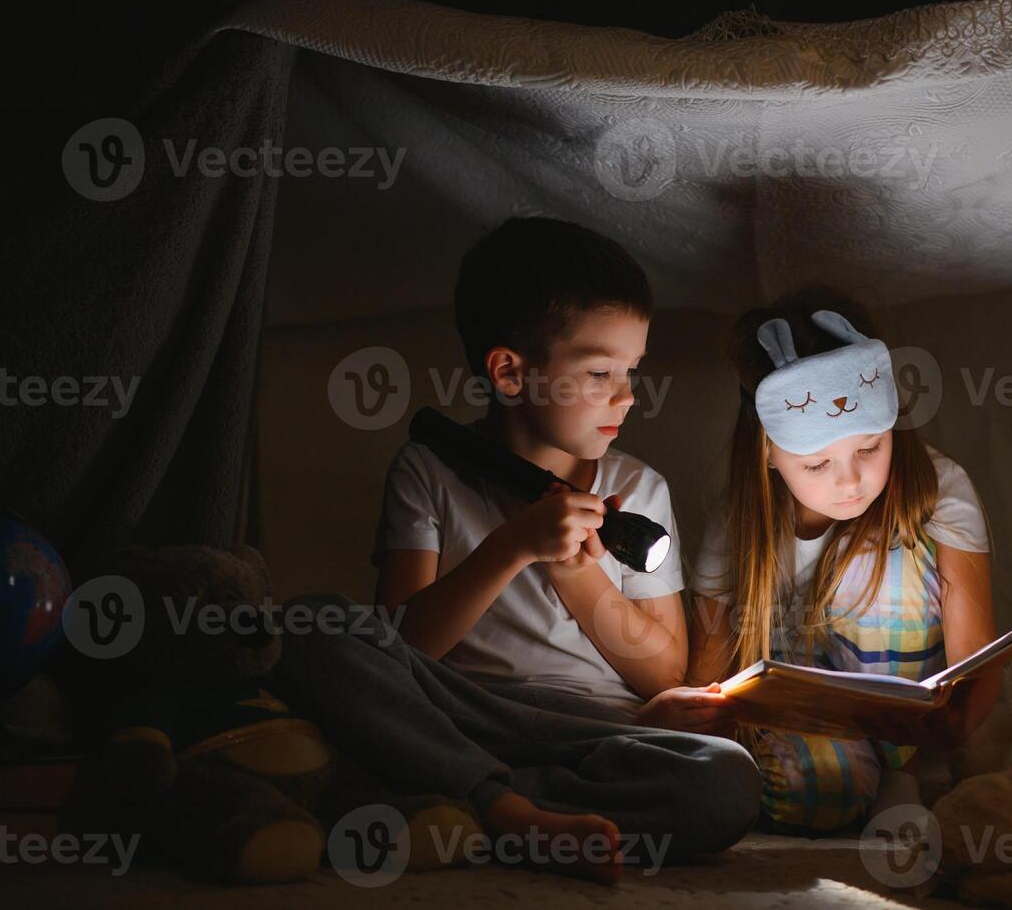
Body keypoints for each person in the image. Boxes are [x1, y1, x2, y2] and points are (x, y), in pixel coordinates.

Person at [277, 217, 758, 883]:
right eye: (599, 372)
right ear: (509, 372)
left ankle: (460, 800)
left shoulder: (637, 489)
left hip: (592, 728)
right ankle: (504, 811)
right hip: (460, 711)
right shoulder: (430, 471)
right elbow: (405, 645)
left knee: (726, 779)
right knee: (311, 629)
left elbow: (662, 671)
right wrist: (511, 547)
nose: (626, 395)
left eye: (632, 371)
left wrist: (578, 575)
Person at [683, 286, 998, 833]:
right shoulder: (738, 520)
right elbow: (708, 672)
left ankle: (903, 773)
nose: (850, 481)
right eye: (816, 463)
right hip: (798, 723)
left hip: (909, 729)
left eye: (870, 448)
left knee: (875, 556)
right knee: (817, 792)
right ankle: (854, 785)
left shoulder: (940, 487)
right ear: (768, 453)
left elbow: (974, 661)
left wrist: (954, 729)